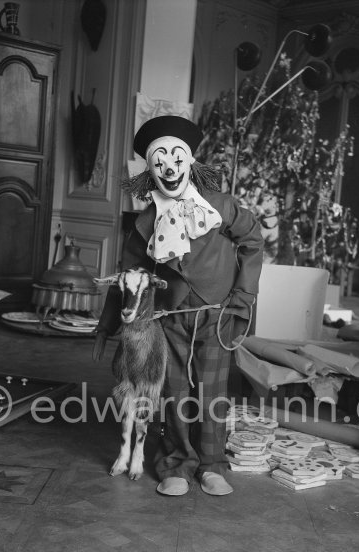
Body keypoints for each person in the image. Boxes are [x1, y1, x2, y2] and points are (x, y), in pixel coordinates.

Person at [94, 115, 263, 496]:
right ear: (150, 172)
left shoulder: (221, 206)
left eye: (176, 158)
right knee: (173, 391)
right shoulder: (143, 223)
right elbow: (126, 276)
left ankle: (211, 464)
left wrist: (245, 293)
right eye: (159, 162)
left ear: (190, 162)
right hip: (166, 319)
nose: (169, 168)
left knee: (212, 391)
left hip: (217, 315)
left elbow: (253, 242)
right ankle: (176, 463)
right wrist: (106, 326)